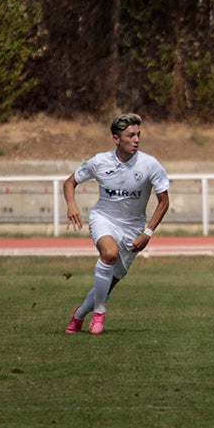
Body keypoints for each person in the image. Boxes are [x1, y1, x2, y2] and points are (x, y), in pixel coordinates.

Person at [62, 113, 170, 335]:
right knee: (109, 254)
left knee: (108, 284)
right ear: (116, 139)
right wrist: (71, 204)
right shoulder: (100, 162)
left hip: (134, 229)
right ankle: (100, 312)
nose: (136, 140)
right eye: (130, 135)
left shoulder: (150, 165)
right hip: (104, 219)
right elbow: (70, 182)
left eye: (138, 135)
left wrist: (147, 233)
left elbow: (164, 202)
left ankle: (80, 314)